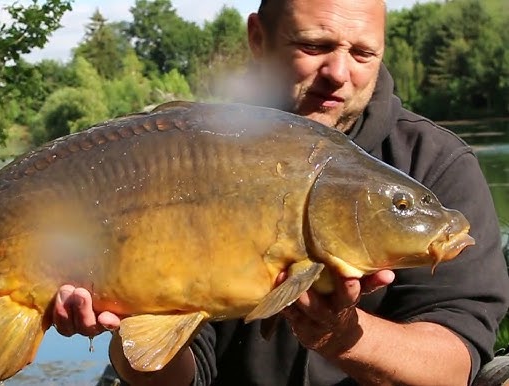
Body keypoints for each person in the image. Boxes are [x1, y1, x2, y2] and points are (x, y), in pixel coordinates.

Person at [52, 0, 509, 384]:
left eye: (364, 53)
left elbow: (454, 364)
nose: (339, 72)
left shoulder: (436, 163)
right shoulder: (190, 157)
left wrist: (344, 335)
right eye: (314, 46)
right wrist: (128, 325)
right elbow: (181, 373)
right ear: (258, 38)